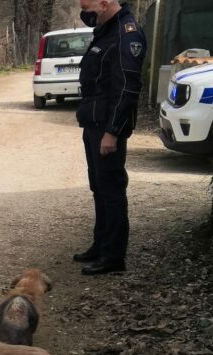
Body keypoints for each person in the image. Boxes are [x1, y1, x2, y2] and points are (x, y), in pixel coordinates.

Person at [74, 0, 146, 275]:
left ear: (104, 4)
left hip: (107, 128)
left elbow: (127, 87)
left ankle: (114, 257)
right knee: (99, 187)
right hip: (94, 123)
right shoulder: (105, 30)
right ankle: (101, 244)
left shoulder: (126, 34)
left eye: (87, 7)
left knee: (112, 191)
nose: (85, 14)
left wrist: (112, 132)